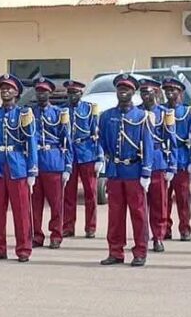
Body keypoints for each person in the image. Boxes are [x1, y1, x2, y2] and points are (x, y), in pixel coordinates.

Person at [98, 74, 154, 267]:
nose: (123, 91)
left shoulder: (142, 116)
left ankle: (140, 251)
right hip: (115, 171)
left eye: (127, 89)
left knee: (138, 214)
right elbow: (102, 141)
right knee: (115, 215)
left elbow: (148, 145)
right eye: (120, 88)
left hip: (134, 171)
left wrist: (146, 172)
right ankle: (115, 251)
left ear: (133, 92)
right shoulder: (106, 116)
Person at [0, 74, 38, 262]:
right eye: (3, 88)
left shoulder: (23, 114)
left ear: (16, 93)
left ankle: (23, 249)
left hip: (17, 164)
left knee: (21, 211)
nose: (5, 91)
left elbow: (31, 142)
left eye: (9, 88)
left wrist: (32, 170)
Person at [31, 76, 71, 249]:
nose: (41, 94)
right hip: (34, 162)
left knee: (56, 203)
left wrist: (67, 166)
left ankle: (56, 234)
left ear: (50, 93)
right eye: (38, 91)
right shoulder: (29, 113)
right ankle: (36, 235)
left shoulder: (59, 113)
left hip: (54, 161)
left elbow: (66, 140)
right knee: (35, 204)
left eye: (44, 91)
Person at [138, 78, 177, 253]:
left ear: (156, 93)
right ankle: (142, 236)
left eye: (148, 92)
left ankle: (158, 236)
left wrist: (172, 166)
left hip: (157, 160)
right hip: (138, 161)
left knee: (159, 203)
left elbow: (172, 141)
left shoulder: (164, 113)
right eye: (142, 92)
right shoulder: (136, 112)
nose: (145, 96)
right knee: (139, 204)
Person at [62, 80, 102, 238]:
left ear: (81, 93)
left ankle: (90, 227)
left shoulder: (89, 109)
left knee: (90, 193)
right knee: (68, 193)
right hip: (69, 154)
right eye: (70, 93)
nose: (72, 96)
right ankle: (68, 226)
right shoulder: (62, 110)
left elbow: (96, 134)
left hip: (87, 152)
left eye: (75, 93)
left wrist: (99, 156)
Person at [162, 77, 191, 242]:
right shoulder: (160, 110)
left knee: (183, 198)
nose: (170, 93)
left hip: (182, 158)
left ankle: (185, 228)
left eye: (173, 90)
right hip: (164, 158)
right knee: (163, 198)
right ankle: (165, 228)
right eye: (167, 90)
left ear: (180, 92)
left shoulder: (188, 112)